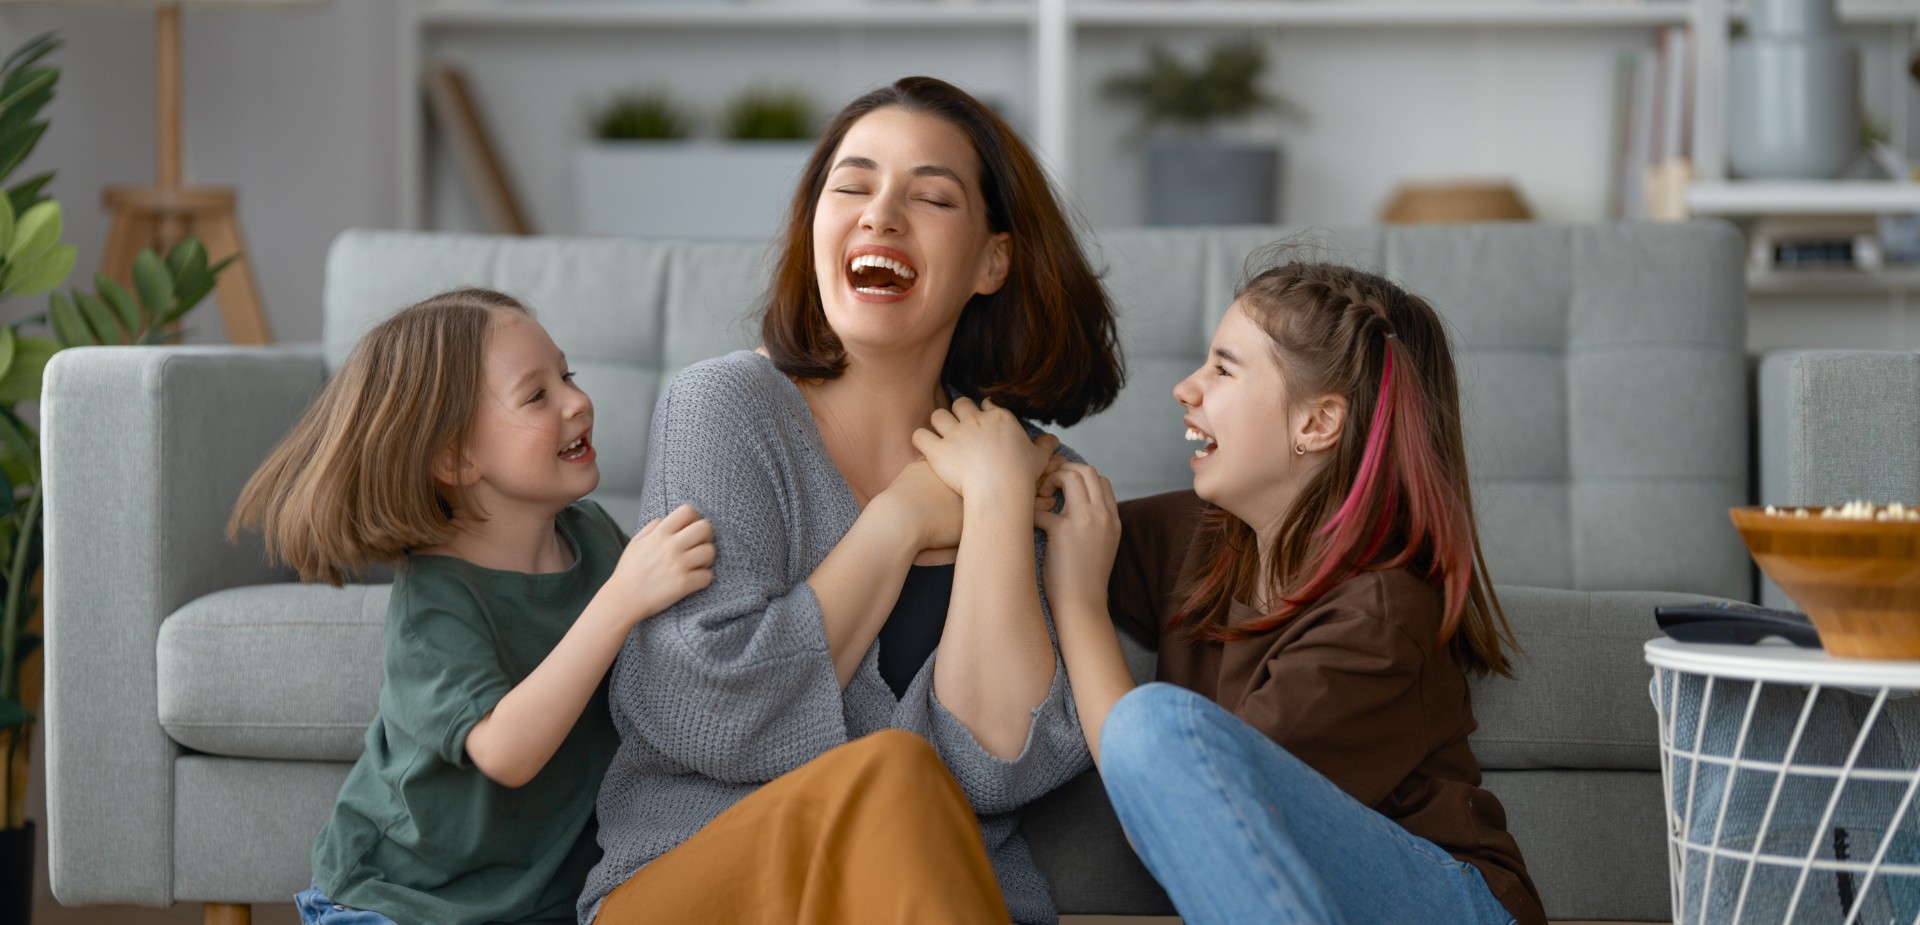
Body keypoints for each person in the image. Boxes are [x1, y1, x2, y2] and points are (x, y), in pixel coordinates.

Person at [583, 76, 1125, 925]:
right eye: (852, 185)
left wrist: (989, 500)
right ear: (815, 228)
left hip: (920, 900)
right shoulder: (724, 409)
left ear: (993, 260)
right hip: (697, 885)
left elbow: (998, 767)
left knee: (906, 782)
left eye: (932, 196)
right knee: (900, 770)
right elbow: (703, 710)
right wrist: (900, 520)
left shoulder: (1025, 474)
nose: (881, 215)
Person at [981, 257, 1549, 925]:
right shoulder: (1203, 538)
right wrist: (987, 473)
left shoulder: (1382, 612)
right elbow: (1047, 522)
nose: (1185, 388)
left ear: (1316, 424)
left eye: (1224, 369)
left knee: (1151, 725)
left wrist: (1077, 603)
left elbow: (1174, 816)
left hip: (1448, 905)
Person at [228, 288, 719, 925]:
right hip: (400, 903)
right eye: (537, 395)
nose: (578, 402)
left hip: (544, 904)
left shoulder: (594, 536)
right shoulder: (434, 606)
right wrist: (621, 599)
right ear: (453, 457)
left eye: (567, 376)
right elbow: (507, 751)